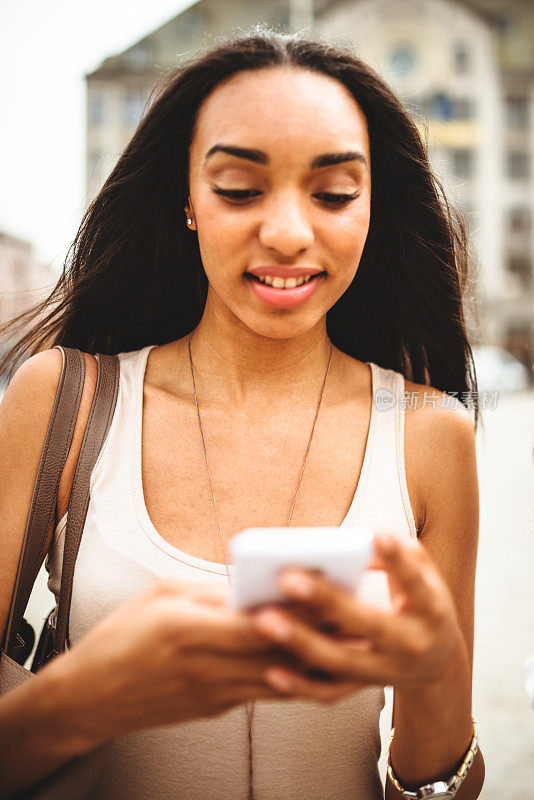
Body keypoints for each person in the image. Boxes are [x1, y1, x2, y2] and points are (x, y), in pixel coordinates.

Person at [0, 28, 484, 800]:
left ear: (372, 211)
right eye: (238, 188)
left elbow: (435, 784)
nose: (289, 233)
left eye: (333, 194)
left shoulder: (432, 439)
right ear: (187, 201)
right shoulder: (63, 399)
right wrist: (85, 698)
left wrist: (436, 678)